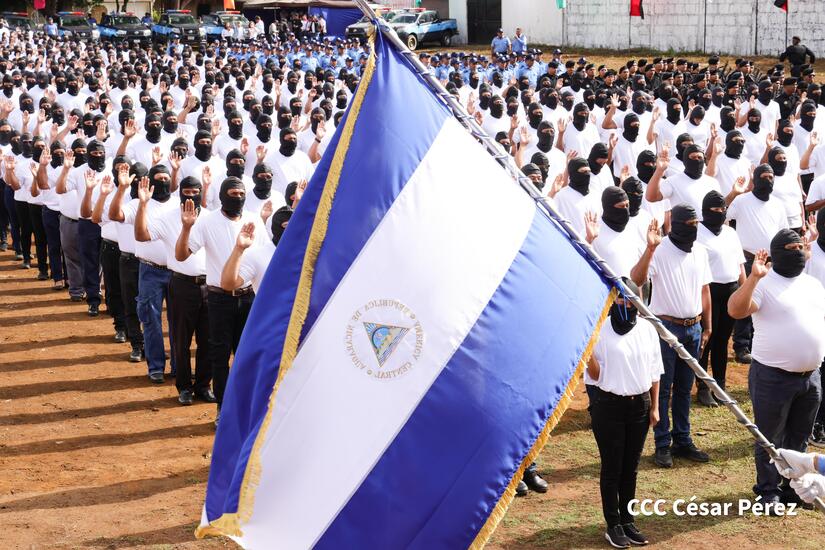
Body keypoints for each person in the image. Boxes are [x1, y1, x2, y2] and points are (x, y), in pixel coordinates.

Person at [728, 230, 825, 510]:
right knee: (769, 439)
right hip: (773, 377)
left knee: (799, 437)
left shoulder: (813, 284)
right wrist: (754, 278)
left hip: (811, 377)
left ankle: (795, 489)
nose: (797, 250)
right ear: (776, 252)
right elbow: (736, 310)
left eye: (800, 246)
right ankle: (768, 491)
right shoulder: (764, 283)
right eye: (790, 247)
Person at [631, 204, 712, 468]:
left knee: (685, 388)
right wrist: (650, 249)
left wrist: (707, 325)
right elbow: (637, 278)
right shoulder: (660, 249)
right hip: (666, 329)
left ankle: (683, 440)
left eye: (695, 223)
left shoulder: (700, 251)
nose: (692, 228)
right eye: (687, 223)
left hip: (694, 328)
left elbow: (704, 290)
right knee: (663, 390)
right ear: (673, 224)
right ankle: (662, 444)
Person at [588, 278, 661, 549]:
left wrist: (654, 407)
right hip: (609, 406)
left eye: (631, 298)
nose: (626, 303)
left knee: (630, 468)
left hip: (639, 406)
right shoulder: (599, 329)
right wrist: (587, 353)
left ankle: (628, 521)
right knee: (612, 467)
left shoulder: (647, 329)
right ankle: (613, 524)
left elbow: (655, 372)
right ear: (612, 299)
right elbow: (595, 376)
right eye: (620, 298)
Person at [695, 191, 746, 406]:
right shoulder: (697, 233)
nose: (719, 213)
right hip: (709, 291)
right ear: (705, 211)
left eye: (722, 210)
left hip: (730, 290)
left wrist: (745, 290)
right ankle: (703, 387)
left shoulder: (730, 233)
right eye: (715, 210)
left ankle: (720, 386)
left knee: (723, 341)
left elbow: (740, 264)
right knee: (707, 339)